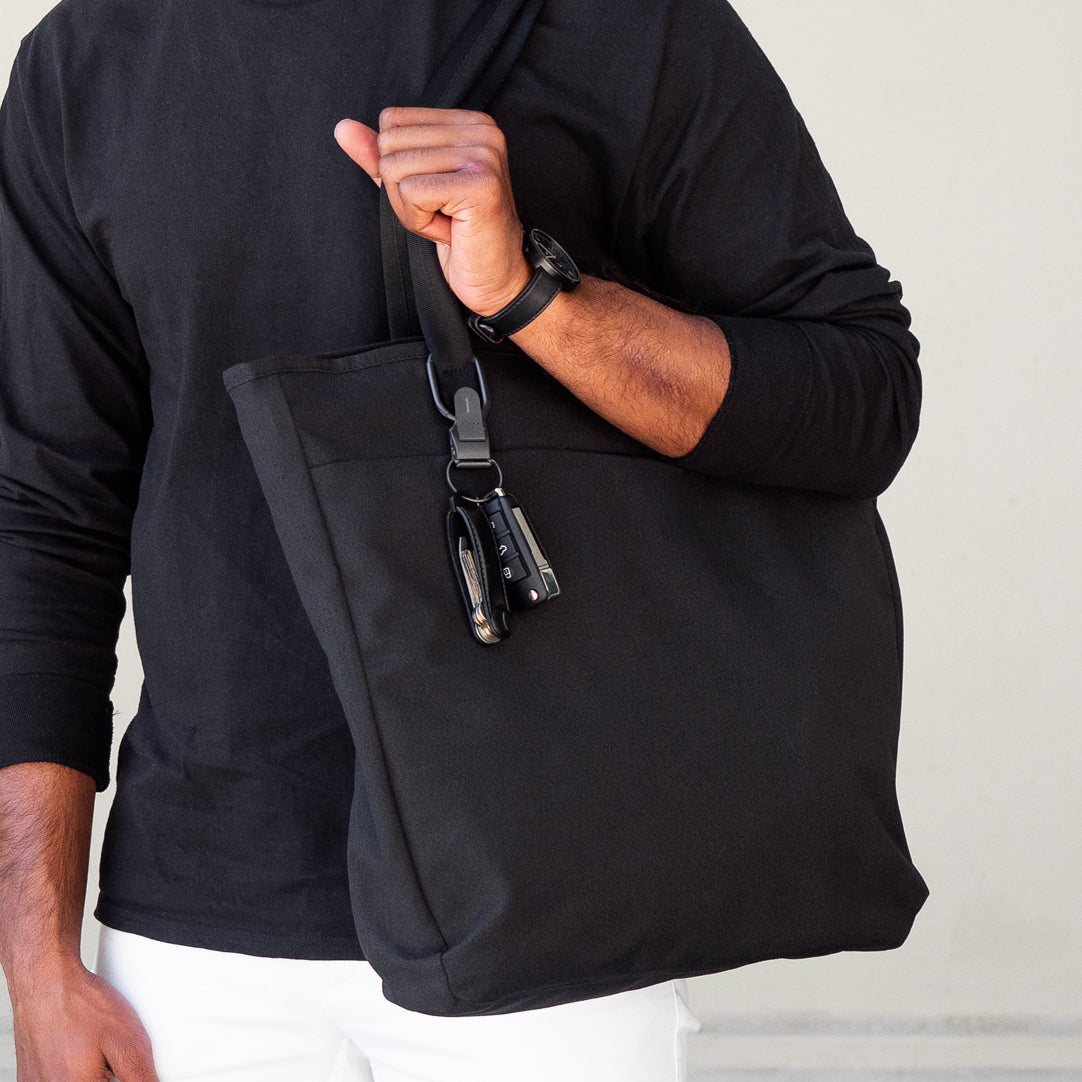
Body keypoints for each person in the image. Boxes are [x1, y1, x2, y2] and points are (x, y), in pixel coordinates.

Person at [0, 0, 921, 1079]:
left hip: (554, 916)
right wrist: (37, 963)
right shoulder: (90, 58)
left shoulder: (629, 26)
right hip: (196, 935)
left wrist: (531, 295)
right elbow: (40, 517)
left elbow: (861, 400)